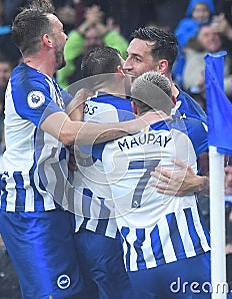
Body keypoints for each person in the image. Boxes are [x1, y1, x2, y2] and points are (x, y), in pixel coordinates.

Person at [0, 0, 164, 298]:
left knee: (78, 292)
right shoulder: (27, 83)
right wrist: (133, 126)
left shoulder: (48, 83)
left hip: (55, 205)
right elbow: (66, 132)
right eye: (62, 31)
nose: (67, 37)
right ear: (48, 40)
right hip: (30, 209)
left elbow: (77, 100)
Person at [100, 71, 211, 297]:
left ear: (133, 108)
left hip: (139, 266)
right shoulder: (191, 130)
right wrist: (200, 183)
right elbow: (224, 177)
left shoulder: (105, 145)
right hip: (187, 254)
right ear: (171, 102)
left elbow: (72, 139)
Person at [70, 46, 134, 298]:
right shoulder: (128, 114)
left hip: (83, 229)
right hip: (111, 232)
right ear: (119, 72)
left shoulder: (75, 109)